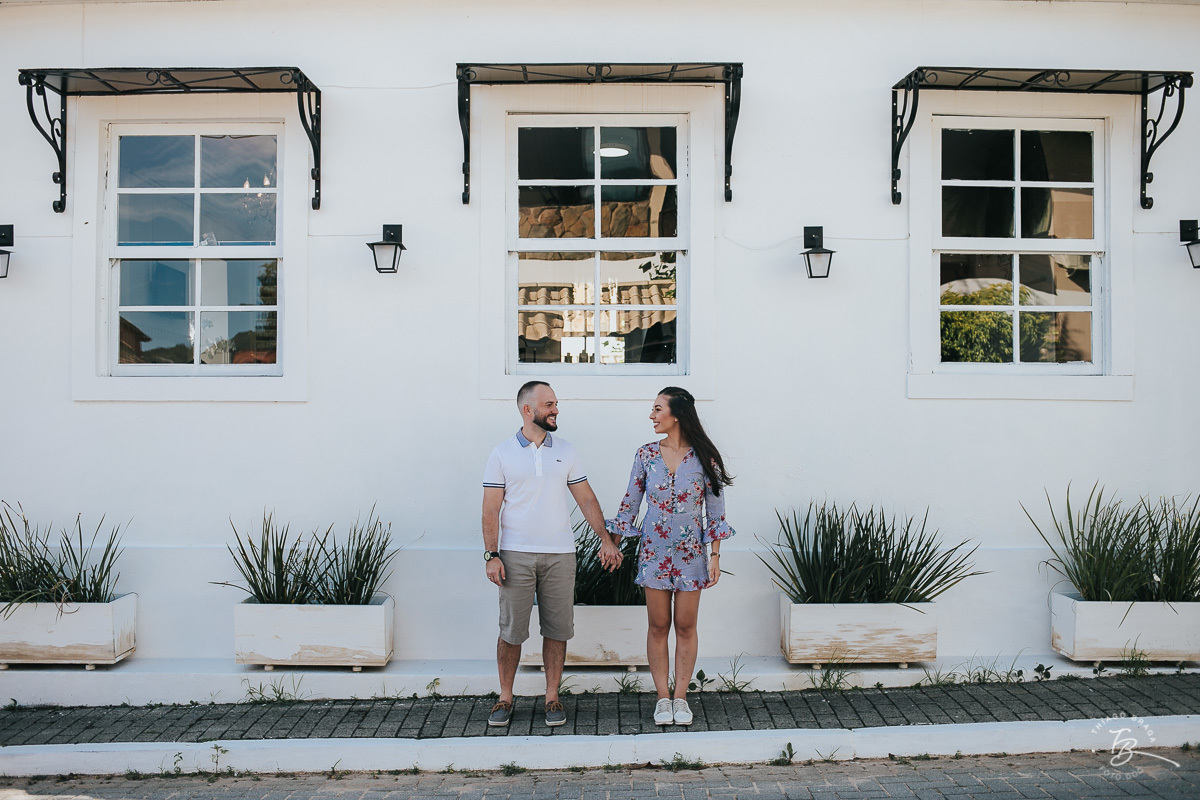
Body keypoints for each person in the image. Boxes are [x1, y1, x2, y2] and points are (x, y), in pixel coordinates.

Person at [482, 380, 623, 728]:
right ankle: (505, 697)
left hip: (561, 555)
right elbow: (490, 510)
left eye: (556, 403)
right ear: (527, 410)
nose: (555, 409)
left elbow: (586, 499)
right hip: (515, 555)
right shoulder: (501, 454)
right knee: (511, 631)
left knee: (557, 630)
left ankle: (552, 697)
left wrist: (606, 539)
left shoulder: (567, 450)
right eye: (548, 404)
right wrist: (491, 554)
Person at [606, 386, 735, 726]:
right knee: (659, 625)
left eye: (657, 409)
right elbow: (629, 504)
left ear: (676, 414)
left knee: (686, 625)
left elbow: (716, 512)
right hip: (654, 552)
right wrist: (614, 543)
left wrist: (715, 555)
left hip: (692, 554)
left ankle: (682, 697)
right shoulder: (645, 455)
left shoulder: (706, 458)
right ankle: (662, 698)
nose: (652, 415)